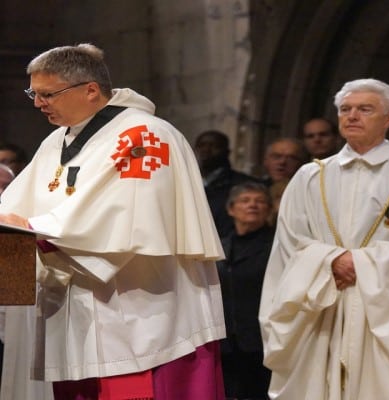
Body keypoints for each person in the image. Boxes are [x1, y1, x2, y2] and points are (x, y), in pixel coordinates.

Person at [0, 43, 225, 399]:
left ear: (90, 90)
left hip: (141, 313)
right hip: (74, 315)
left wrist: (33, 229)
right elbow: (13, 208)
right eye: (33, 93)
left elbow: (127, 217)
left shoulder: (146, 136)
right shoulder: (56, 141)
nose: (37, 103)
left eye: (47, 94)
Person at [259, 78, 389, 399]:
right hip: (322, 304)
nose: (352, 116)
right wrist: (329, 261)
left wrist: (361, 263)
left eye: (365, 109)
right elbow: (290, 242)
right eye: (345, 109)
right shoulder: (310, 176)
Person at [217, 182, 274, 400]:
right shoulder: (219, 245)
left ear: (269, 210)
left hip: (261, 340)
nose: (253, 205)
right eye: (245, 200)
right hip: (226, 342)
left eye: (260, 201)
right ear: (231, 209)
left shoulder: (275, 246)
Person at [194, 129, 261, 238]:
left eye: (214, 146)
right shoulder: (185, 180)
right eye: (202, 145)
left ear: (226, 152)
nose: (206, 150)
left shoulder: (243, 184)